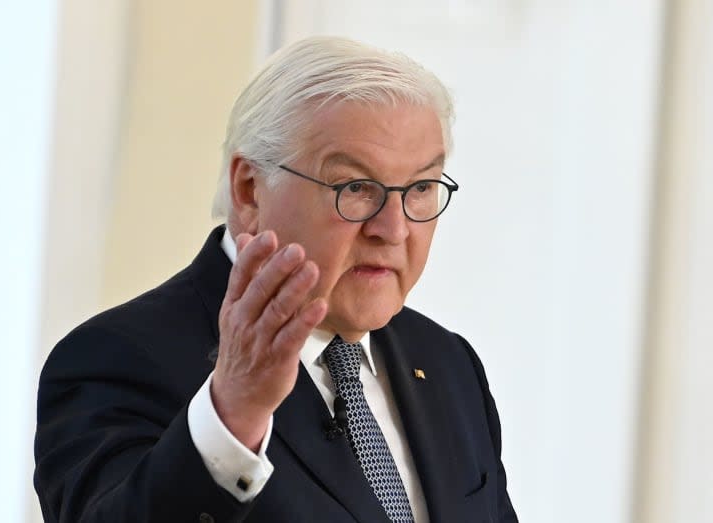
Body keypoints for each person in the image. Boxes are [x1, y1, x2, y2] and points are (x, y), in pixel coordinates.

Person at [34, 36, 518, 523]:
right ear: (249, 190)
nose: (392, 230)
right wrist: (233, 413)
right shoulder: (113, 358)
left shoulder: (448, 363)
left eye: (419, 189)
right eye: (355, 188)